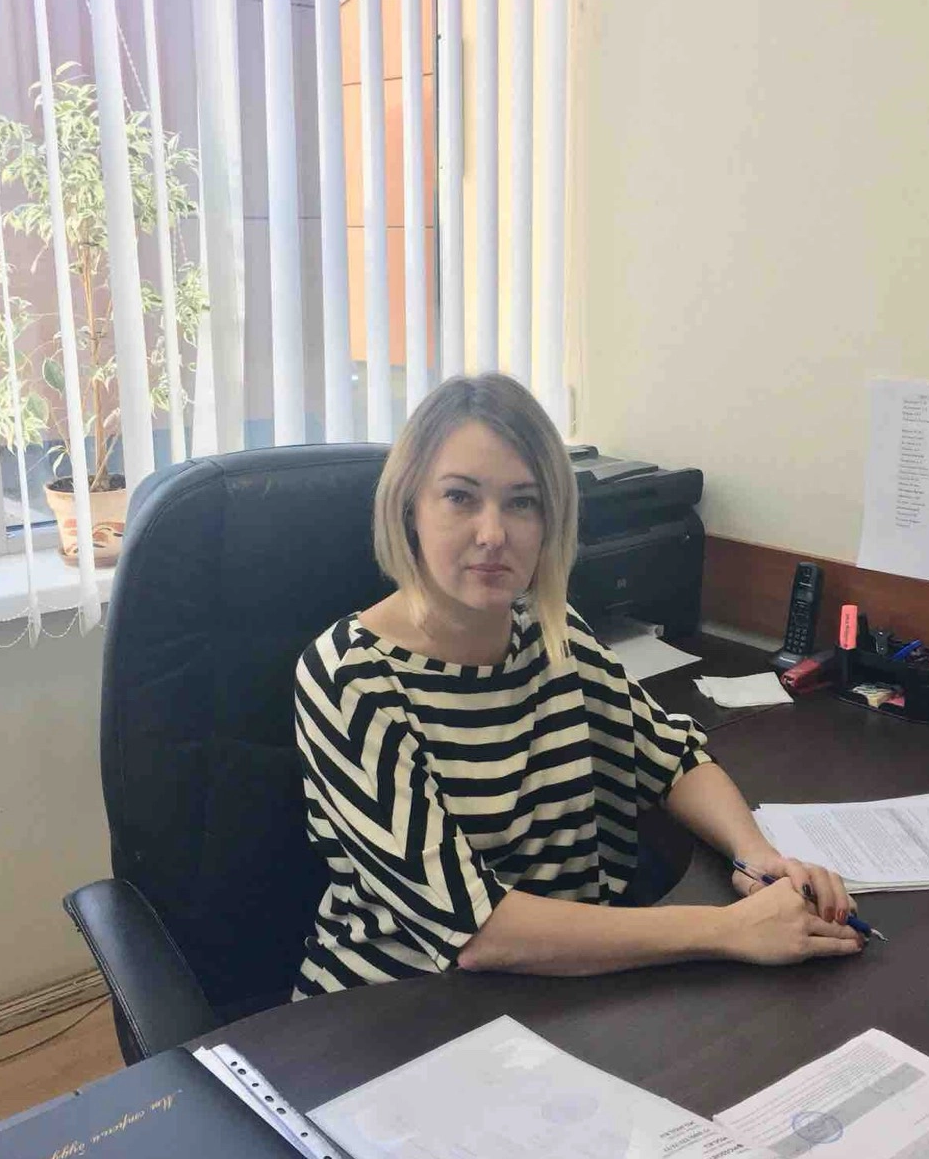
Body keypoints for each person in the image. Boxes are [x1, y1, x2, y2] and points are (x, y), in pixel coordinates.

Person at [292, 374, 862, 998]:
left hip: (560, 991)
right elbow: (475, 932)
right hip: (398, 1013)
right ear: (409, 509)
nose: (493, 533)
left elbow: (672, 757)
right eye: (459, 497)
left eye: (523, 503)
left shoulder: (552, 634)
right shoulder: (350, 676)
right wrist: (728, 929)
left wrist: (758, 858)